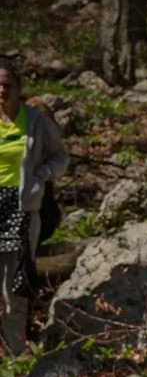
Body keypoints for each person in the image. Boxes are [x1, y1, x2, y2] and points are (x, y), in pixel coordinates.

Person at [0, 57, 67, 356]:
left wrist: (41, 177)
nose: (2, 90)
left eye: (7, 84)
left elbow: (60, 156)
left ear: (18, 87)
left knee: (14, 283)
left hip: (21, 208)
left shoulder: (36, 120)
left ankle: (15, 351)